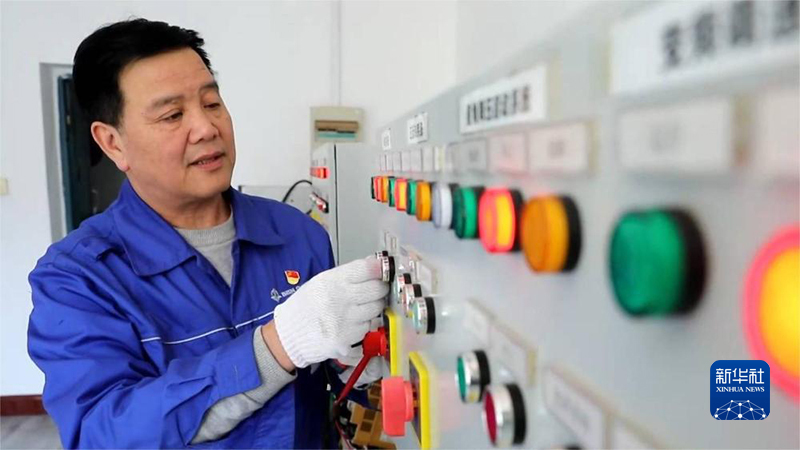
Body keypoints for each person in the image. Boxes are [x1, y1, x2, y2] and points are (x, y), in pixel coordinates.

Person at [27, 18, 387, 448]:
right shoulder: (78, 278)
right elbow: (103, 433)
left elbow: (335, 379)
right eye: (173, 115)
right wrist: (277, 345)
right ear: (112, 143)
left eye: (212, 103)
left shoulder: (296, 233)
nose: (206, 128)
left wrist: (358, 362)